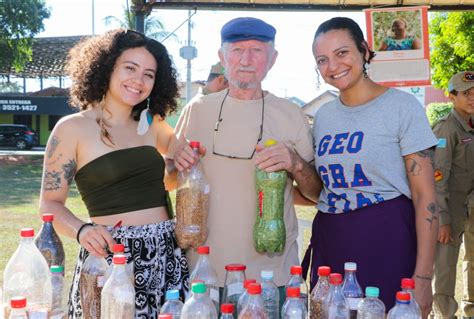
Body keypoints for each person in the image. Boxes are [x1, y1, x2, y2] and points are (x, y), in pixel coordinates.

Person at [38, 29, 189, 318]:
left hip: (166, 255)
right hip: (111, 259)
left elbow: (172, 166)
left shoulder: (153, 124)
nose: (139, 80)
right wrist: (82, 231)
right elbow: (49, 204)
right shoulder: (71, 129)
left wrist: (180, 159)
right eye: (130, 68)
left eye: (149, 74)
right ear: (106, 68)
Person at [169, 17, 319, 306]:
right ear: (222, 56)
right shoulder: (198, 110)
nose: (246, 60)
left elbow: (316, 195)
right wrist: (176, 160)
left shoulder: (292, 114)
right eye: (237, 50)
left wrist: (296, 164)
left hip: (271, 274)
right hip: (204, 271)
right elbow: (169, 178)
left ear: (272, 59)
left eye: (257, 50)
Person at [303, 17, 438, 317]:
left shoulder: (401, 108)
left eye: (342, 53)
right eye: (322, 59)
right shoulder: (323, 117)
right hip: (332, 242)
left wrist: (424, 277)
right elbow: (324, 187)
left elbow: (425, 198)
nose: (333, 65)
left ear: (364, 50)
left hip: (387, 242)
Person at [432, 71, 474, 319]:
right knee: (446, 265)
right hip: (451, 207)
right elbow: (438, 178)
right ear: (451, 96)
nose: (472, 98)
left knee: (473, 260)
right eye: (466, 93)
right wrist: (443, 219)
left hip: (472, 206)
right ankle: (444, 314)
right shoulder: (446, 129)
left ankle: (471, 310)